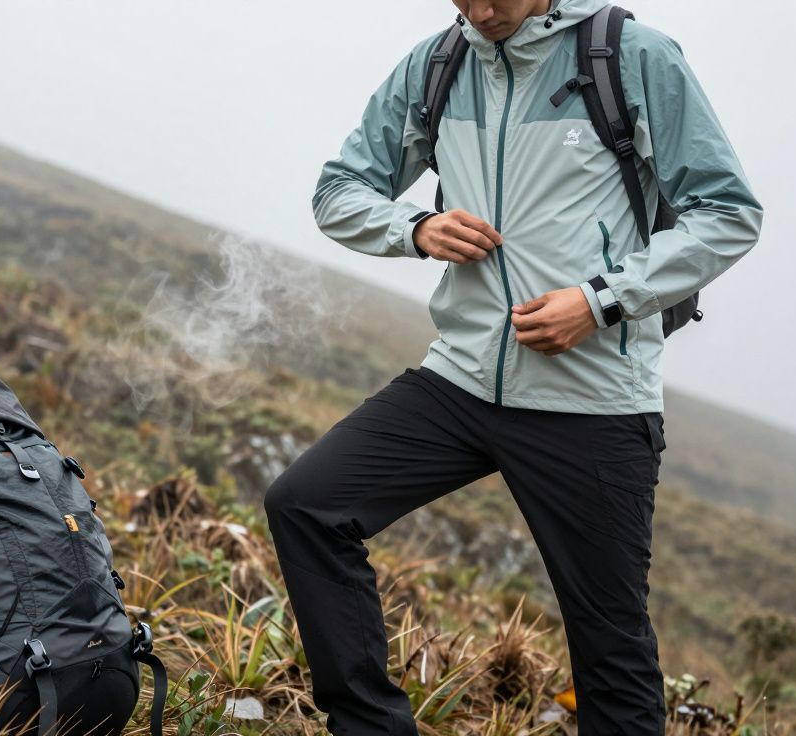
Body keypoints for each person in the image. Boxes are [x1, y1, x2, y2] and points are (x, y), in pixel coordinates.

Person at [264, 0, 763, 733]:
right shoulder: (437, 65)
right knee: (305, 505)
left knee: (610, 648)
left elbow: (727, 212)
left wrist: (600, 302)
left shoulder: (631, 58)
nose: (480, 10)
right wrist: (416, 226)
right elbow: (338, 189)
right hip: (459, 380)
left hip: (593, 403)